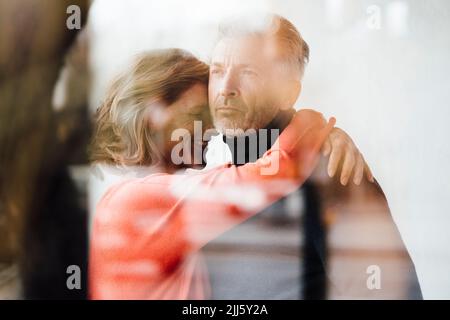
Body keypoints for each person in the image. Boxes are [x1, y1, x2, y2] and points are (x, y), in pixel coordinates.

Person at [88, 48, 352, 299]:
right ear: (153, 114)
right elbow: (275, 171)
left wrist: (323, 141)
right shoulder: (134, 199)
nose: (212, 131)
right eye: (197, 114)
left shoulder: (137, 192)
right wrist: (314, 123)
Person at [204, 14, 422, 299]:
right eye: (217, 71)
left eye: (249, 72)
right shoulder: (211, 177)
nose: (225, 89)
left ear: (288, 94)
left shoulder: (333, 172)